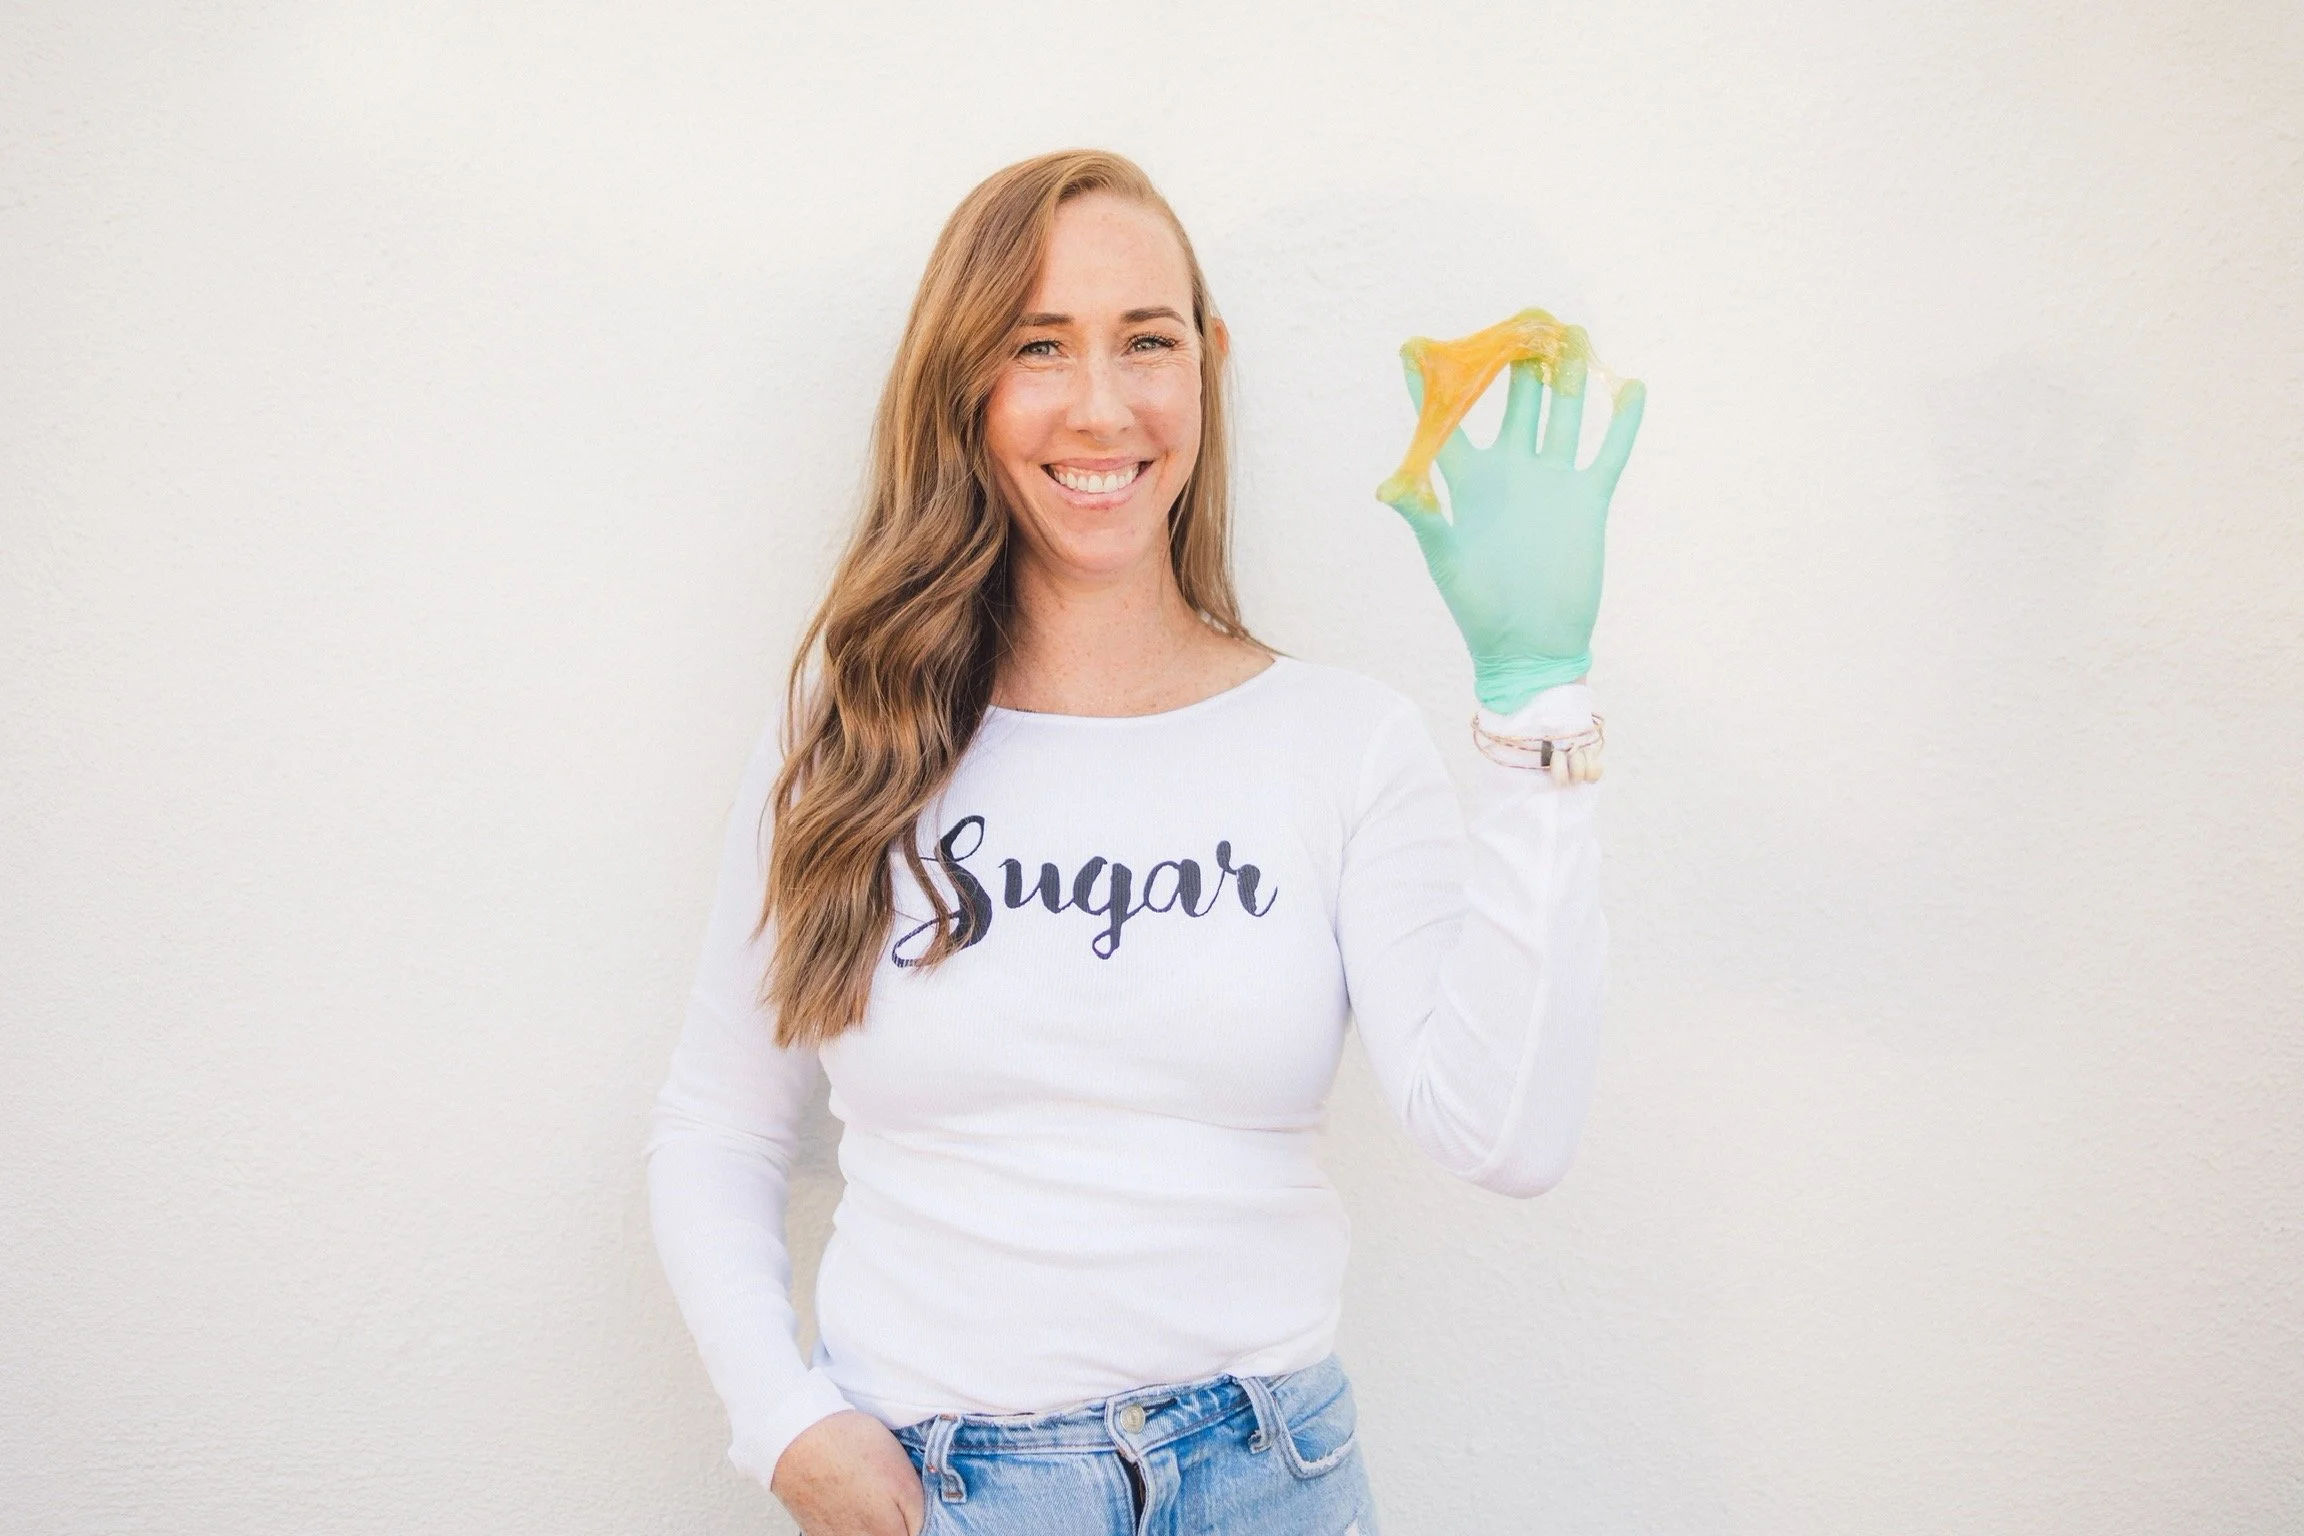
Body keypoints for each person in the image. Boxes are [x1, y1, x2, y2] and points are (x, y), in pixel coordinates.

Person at [645, 148, 1644, 1536]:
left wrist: (1540, 706)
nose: (1101, 406)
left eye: (1146, 342)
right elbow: (718, 1125)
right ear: (965, 383)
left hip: (1272, 1482)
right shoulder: (852, 726)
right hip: (947, 1494)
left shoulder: (1341, 742)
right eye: (1038, 346)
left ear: (1208, 363)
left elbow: (1507, 1135)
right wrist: (786, 1423)